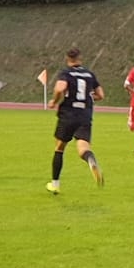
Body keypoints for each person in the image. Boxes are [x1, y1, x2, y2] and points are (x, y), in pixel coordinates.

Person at [46, 48, 103, 194]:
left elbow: (60, 88)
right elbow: (100, 95)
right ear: (80, 58)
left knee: (59, 148)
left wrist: (54, 101)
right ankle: (90, 159)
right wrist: (88, 97)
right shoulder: (89, 74)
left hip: (68, 114)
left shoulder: (66, 73)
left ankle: (55, 185)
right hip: (85, 115)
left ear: (68, 59)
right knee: (83, 148)